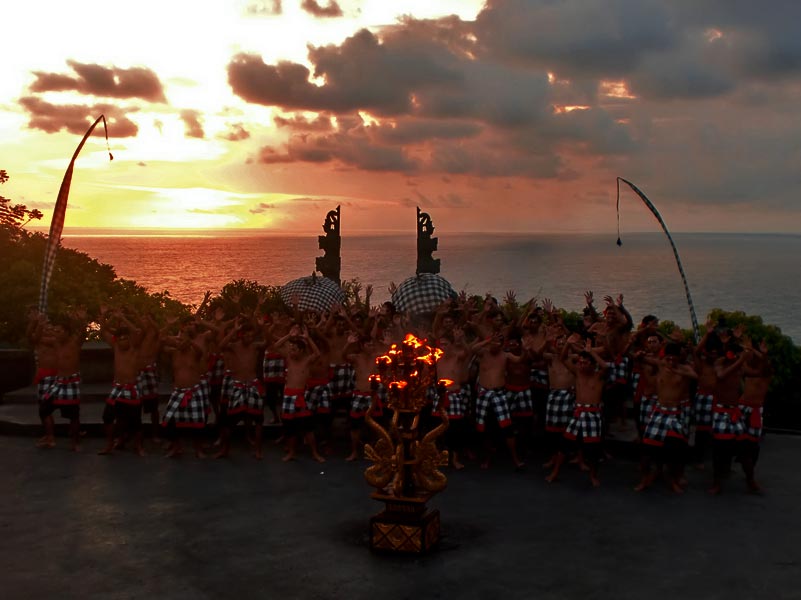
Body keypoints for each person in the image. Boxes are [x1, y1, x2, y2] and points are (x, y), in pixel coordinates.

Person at [635, 343, 697, 493]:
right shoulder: (661, 364)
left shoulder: (685, 369)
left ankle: (673, 480)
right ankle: (645, 479)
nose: (670, 361)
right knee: (647, 451)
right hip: (658, 411)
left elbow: (696, 376)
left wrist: (677, 370)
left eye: (673, 358)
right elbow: (642, 358)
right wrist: (639, 355)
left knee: (675, 450)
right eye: (667, 358)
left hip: (675, 413)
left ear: (678, 358)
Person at [546, 338, 608, 487]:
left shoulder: (598, 376)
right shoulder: (578, 373)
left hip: (593, 414)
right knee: (564, 445)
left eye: (584, 363)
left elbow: (605, 366)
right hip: (578, 412)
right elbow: (562, 358)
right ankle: (555, 472)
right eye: (579, 362)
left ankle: (593, 475)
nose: (581, 365)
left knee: (592, 450)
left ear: (592, 365)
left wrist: (591, 351)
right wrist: (567, 343)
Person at [471, 331, 526, 470]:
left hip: (499, 394)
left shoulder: (505, 355)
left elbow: (519, 359)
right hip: (484, 394)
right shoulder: (483, 352)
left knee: (507, 428)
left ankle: (515, 459)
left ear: (502, 345)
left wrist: (525, 347)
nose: (495, 345)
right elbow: (472, 349)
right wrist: (488, 340)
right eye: (493, 342)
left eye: (498, 342)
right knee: (484, 429)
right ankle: (487, 458)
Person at [34, 309, 87, 452]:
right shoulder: (55, 343)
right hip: (58, 383)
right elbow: (36, 338)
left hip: (71, 382)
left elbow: (82, 333)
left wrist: (81, 320)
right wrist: (39, 323)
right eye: (55, 331)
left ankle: (75, 442)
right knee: (44, 409)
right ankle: (50, 437)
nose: (56, 334)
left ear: (67, 333)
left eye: (59, 331)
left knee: (73, 415)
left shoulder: (74, 343)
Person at [215, 321, 266, 459]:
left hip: (253, 385)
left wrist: (261, 327)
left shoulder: (255, 346)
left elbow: (268, 342)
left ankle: (258, 451)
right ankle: (225, 450)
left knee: (258, 420)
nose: (249, 339)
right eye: (247, 336)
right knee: (229, 421)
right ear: (241, 335)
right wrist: (234, 330)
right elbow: (221, 346)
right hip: (237, 385)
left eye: (251, 336)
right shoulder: (234, 347)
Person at [98, 314, 146, 456]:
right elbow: (103, 331)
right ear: (116, 340)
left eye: (125, 339)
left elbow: (140, 330)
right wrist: (111, 317)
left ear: (129, 339)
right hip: (117, 388)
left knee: (136, 421)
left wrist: (124, 319)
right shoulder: (116, 347)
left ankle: (138, 446)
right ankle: (109, 444)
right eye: (120, 339)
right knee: (107, 417)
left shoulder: (134, 347)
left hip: (131, 387)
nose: (122, 342)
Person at [275, 327, 325, 462]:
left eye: (294, 349)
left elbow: (317, 354)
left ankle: (314, 453)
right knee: (289, 428)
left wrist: (307, 338)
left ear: (301, 351)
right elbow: (276, 346)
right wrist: (288, 336)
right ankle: (291, 452)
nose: (291, 351)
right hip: (288, 396)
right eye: (290, 349)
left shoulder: (306, 361)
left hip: (301, 396)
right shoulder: (289, 359)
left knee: (307, 427)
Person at [709, 341, 752, 494]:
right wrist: (740, 360)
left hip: (735, 412)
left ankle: (750, 480)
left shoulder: (739, 366)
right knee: (719, 451)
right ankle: (716, 483)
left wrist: (757, 353)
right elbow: (721, 375)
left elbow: (758, 372)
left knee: (745, 450)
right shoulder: (720, 363)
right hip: (721, 412)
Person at [161, 322, 209, 458]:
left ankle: (198, 449)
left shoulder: (195, 352)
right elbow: (161, 340)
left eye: (183, 340)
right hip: (178, 391)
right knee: (171, 422)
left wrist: (189, 341)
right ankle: (176, 448)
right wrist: (171, 329)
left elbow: (200, 350)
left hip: (193, 391)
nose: (180, 342)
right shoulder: (173, 352)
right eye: (179, 339)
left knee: (197, 422)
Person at [433, 329, 471, 470]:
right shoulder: (436, 357)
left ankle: (454, 459)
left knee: (455, 430)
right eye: (441, 344)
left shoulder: (458, 356)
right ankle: (437, 457)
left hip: (454, 396)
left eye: (446, 344)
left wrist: (461, 340)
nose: (443, 347)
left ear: (451, 345)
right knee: (437, 428)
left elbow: (468, 352)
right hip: (440, 396)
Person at [737, 338, 771, 493]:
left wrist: (760, 353)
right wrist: (742, 345)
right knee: (741, 445)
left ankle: (750, 476)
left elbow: (764, 366)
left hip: (755, 411)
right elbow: (737, 360)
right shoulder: (747, 368)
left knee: (751, 446)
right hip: (741, 407)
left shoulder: (766, 370)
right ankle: (749, 476)